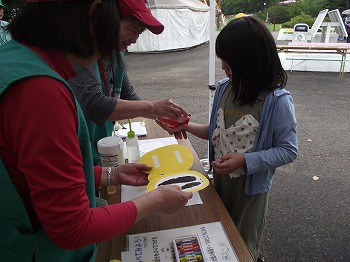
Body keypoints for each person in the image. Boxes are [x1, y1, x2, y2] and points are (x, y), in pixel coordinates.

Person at [0, 1, 192, 261]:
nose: (131, 40)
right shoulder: (40, 90)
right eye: (129, 26)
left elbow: (35, 175)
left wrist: (109, 174)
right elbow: (71, 227)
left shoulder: (16, 60)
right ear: (94, 12)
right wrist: (156, 201)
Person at [157, 16, 298, 261]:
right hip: (220, 181)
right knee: (219, 233)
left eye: (230, 63)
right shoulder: (225, 88)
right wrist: (186, 126)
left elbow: (288, 150)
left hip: (249, 193)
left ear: (253, 62)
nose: (223, 68)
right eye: (223, 61)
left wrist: (244, 160)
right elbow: (216, 131)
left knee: (242, 243)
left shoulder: (277, 100)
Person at [68, 0, 188, 165]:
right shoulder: (80, 54)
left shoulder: (116, 57)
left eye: (139, 33)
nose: (134, 40)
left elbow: (129, 96)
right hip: (78, 154)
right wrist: (154, 107)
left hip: (103, 150)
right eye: (132, 29)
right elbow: (94, 104)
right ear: (107, 17)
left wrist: (162, 115)